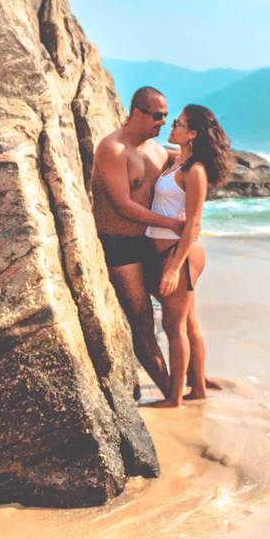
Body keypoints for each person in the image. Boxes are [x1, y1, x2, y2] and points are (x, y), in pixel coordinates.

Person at [92, 86, 183, 399]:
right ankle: (171, 392)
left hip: (148, 243)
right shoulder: (113, 149)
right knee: (142, 322)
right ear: (137, 113)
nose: (162, 122)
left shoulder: (157, 151)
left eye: (166, 117)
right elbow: (122, 205)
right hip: (119, 245)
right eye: (157, 116)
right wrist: (172, 224)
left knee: (178, 313)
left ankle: (190, 380)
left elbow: (189, 169)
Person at [144, 104, 233, 408]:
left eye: (179, 124)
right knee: (190, 322)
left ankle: (174, 399)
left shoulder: (194, 171)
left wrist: (172, 268)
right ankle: (198, 389)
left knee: (174, 326)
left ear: (192, 133)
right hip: (172, 250)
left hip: (178, 253)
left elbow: (194, 221)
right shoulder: (176, 161)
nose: (172, 127)